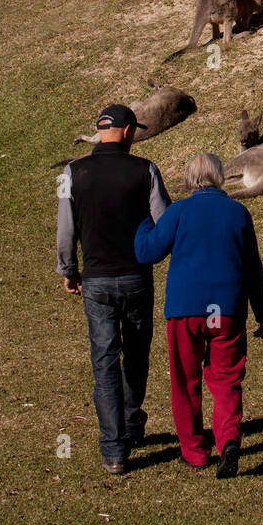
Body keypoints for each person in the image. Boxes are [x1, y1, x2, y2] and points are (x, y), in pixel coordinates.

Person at [134, 152, 263, 479]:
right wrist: (262, 312)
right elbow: (253, 267)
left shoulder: (179, 211)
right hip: (227, 309)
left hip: (186, 309)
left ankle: (195, 452)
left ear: (190, 179)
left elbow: (147, 251)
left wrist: (142, 220)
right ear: (220, 176)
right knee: (226, 380)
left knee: (186, 380)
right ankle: (229, 442)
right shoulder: (238, 212)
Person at [56, 104, 171, 474]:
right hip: (136, 277)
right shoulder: (146, 169)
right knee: (136, 354)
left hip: (96, 280)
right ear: (127, 131)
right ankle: (132, 422)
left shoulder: (72, 172)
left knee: (104, 361)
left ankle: (114, 450)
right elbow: (165, 223)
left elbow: (66, 228)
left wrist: (69, 269)